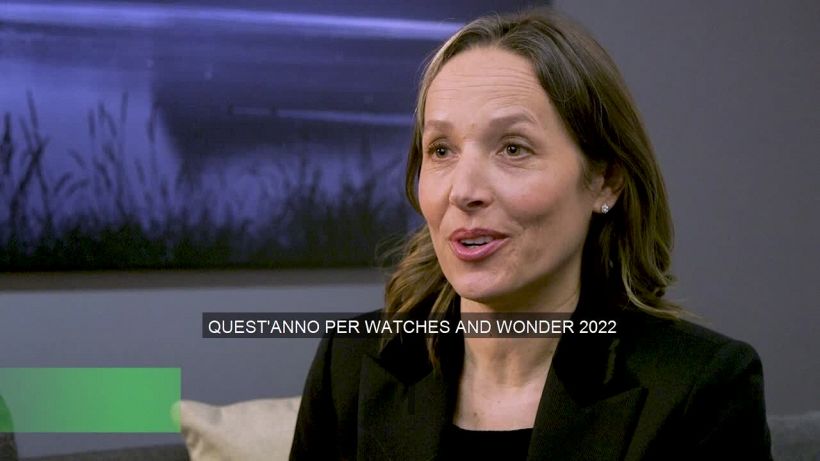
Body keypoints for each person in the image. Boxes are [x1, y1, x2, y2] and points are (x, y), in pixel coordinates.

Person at [290, 8, 772, 460]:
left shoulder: (700, 388)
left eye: (513, 149)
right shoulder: (350, 365)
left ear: (605, 180)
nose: (464, 191)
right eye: (441, 150)